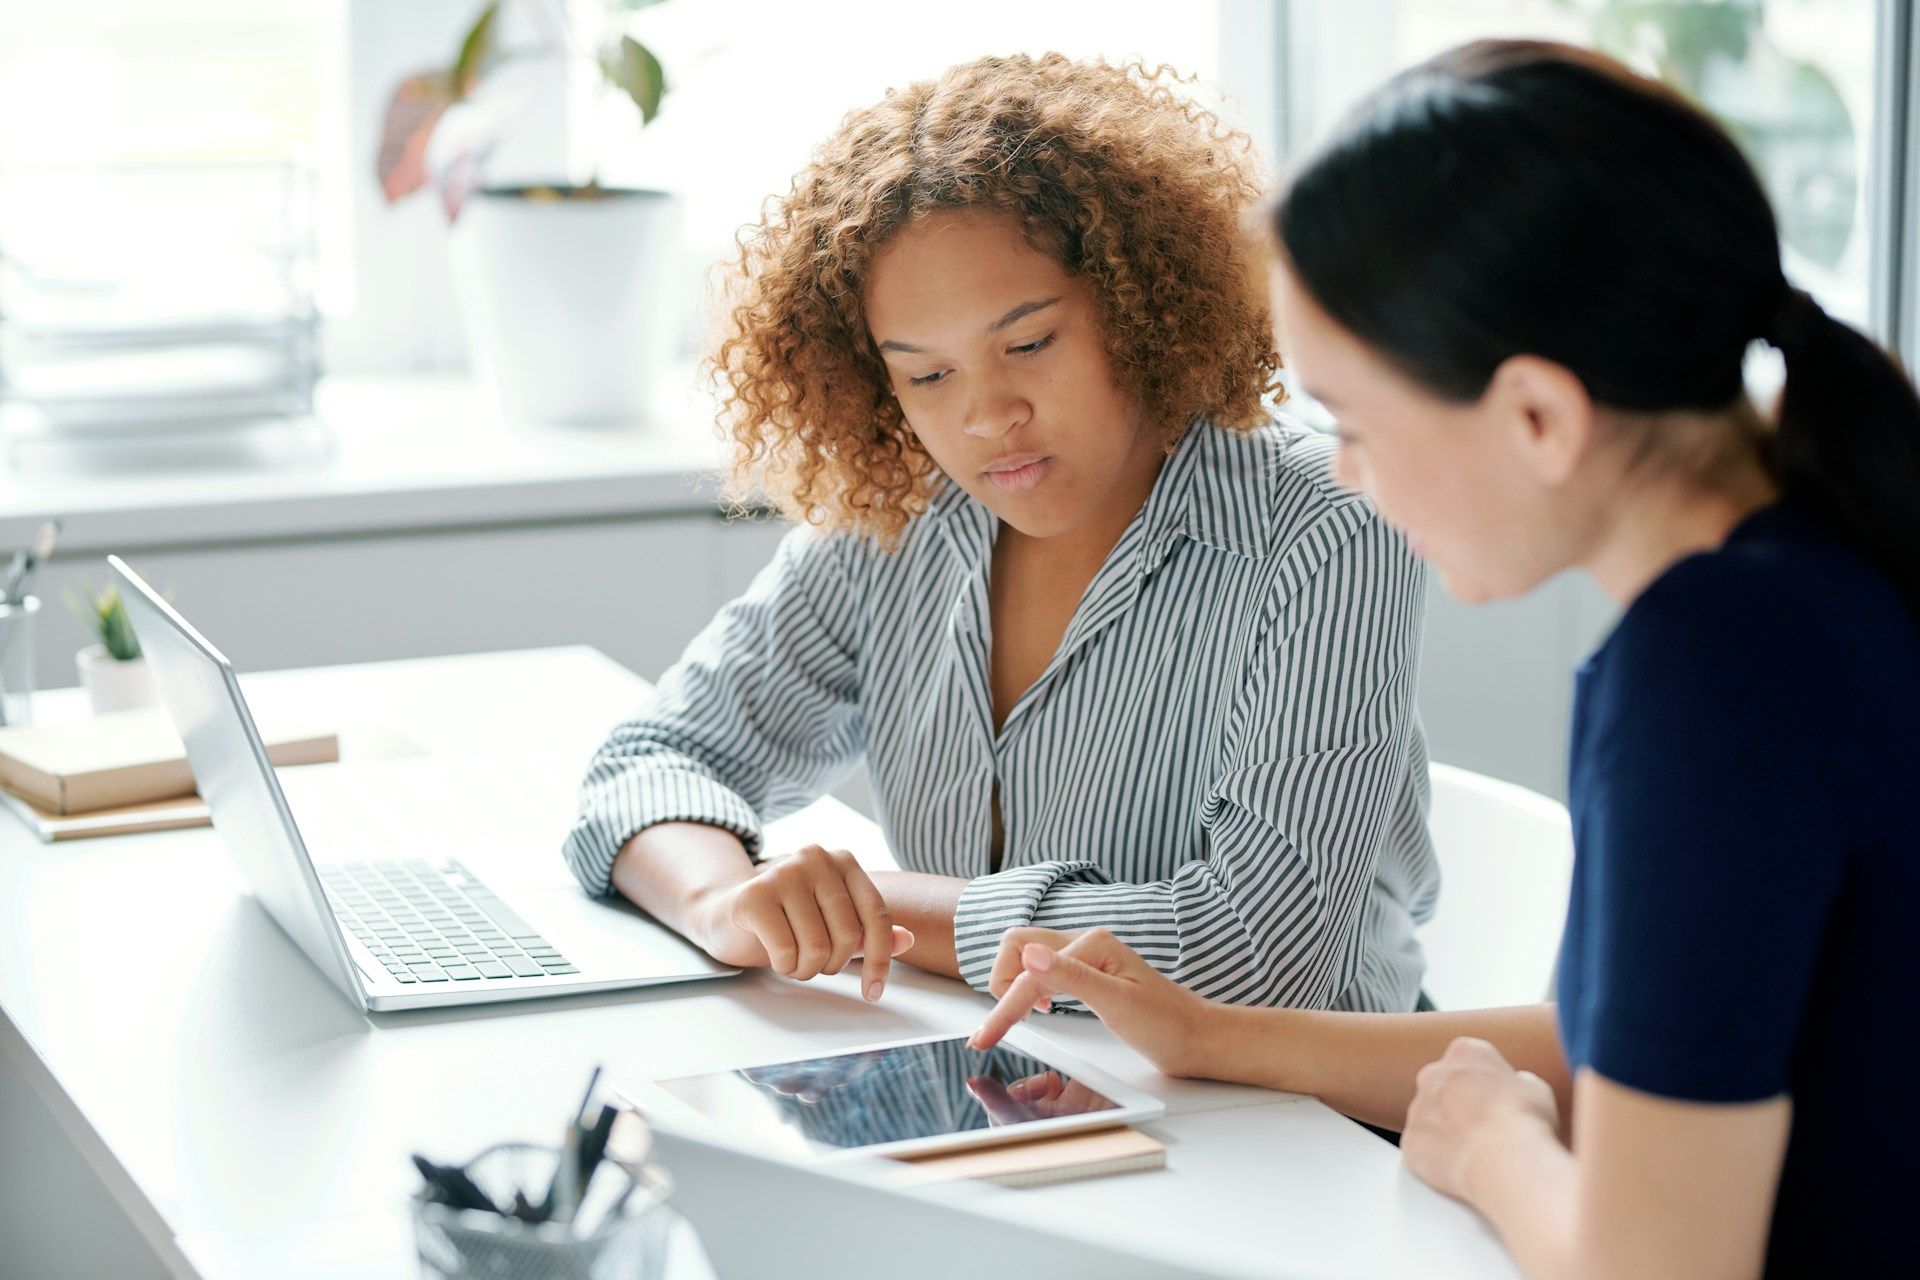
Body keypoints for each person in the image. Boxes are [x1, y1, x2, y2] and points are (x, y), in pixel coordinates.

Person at [973, 40, 1919, 1278]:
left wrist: (1491, 1146)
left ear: (1538, 416)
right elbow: (1637, 1053)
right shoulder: (1806, 586)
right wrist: (1213, 1034)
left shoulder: (1707, 678)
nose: (1347, 474)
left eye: (1359, 424)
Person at [561, 53, 1437, 1015]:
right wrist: (725, 901)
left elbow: (1257, 957)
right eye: (927, 376)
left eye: (1027, 344)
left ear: (1141, 302)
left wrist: (877, 909)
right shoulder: (898, 516)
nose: (985, 417)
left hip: (1304, 1130)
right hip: (1009, 1081)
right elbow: (648, 765)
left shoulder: (1324, 525)